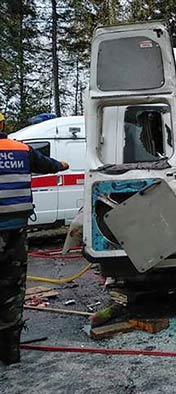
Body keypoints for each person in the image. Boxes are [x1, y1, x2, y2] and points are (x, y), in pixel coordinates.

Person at [0, 128, 69, 365]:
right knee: (12, 287)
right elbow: (49, 165)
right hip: (16, 230)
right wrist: (62, 164)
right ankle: (11, 352)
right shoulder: (21, 150)